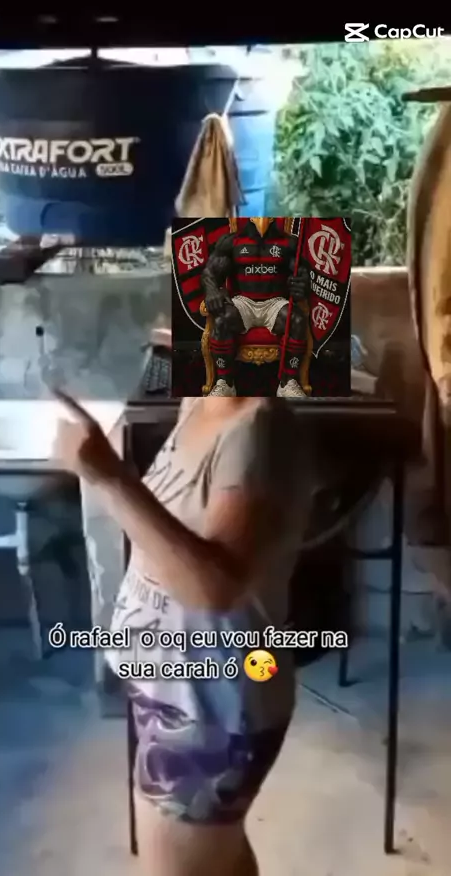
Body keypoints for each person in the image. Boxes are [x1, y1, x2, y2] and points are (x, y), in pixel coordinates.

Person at [53, 392, 315, 876]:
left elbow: (213, 588)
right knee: (218, 860)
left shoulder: (260, 428)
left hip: (209, 709)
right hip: (177, 694)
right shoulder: (200, 403)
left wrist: (110, 479)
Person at [202, 216, 310, 398]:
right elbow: (209, 273)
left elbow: (303, 277)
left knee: (297, 320)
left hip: (275, 302)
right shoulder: (232, 242)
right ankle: (225, 383)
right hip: (244, 301)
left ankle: (288, 382)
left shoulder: (289, 243)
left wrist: (301, 286)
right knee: (221, 320)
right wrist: (212, 290)